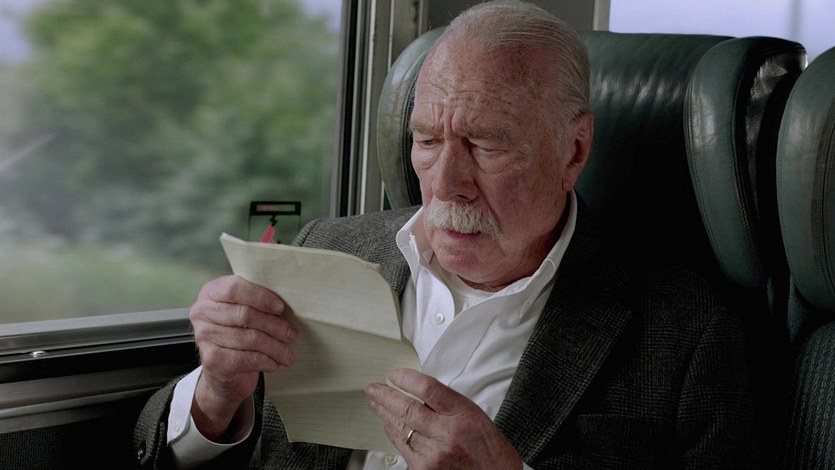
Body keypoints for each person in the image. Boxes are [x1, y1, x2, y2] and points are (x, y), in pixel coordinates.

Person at [133, 1, 757, 468]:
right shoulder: (326, 250)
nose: (446, 183)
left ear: (573, 150)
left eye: (486, 145)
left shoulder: (688, 334)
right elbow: (155, 450)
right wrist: (218, 394)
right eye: (428, 141)